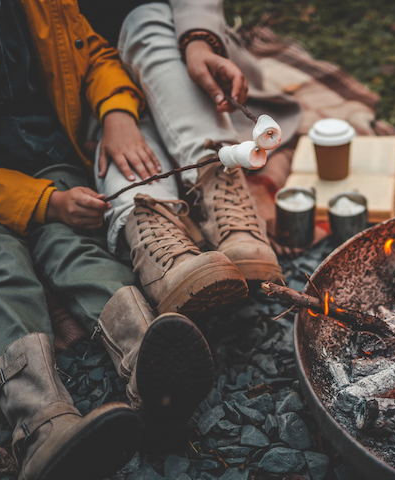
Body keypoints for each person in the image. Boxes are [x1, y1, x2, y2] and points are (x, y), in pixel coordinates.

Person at [0, 0, 216, 480]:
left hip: (52, 164)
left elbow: (95, 55)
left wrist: (117, 112)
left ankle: (148, 356)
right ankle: (42, 428)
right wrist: (43, 204)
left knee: (74, 247)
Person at [85, 0, 301, 295]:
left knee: (145, 18)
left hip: (169, 53)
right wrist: (116, 111)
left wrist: (198, 41)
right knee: (125, 144)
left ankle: (221, 179)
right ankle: (155, 231)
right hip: (88, 88)